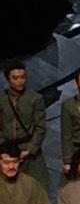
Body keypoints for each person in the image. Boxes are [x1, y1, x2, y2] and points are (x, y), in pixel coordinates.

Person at [1, 61, 50, 192]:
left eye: (23, 77)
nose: (20, 81)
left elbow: (40, 127)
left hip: (28, 147)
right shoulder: (2, 100)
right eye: (15, 78)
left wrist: (30, 149)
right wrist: (4, 148)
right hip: (6, 149)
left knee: (39, 186)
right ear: (8, 79)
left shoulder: (35, 98)